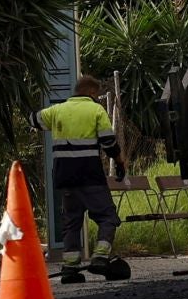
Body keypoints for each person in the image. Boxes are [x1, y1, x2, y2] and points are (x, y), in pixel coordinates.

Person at [31, 76, 128, 283]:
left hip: (65, 177)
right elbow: (109, 142)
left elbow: (34, 119)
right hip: (89, 174)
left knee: (72, 222)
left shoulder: (57, 110)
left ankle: (70, 269)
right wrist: (120, 163)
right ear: (92, 93)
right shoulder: (95, 110)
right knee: (107, 217)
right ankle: (100, 257)